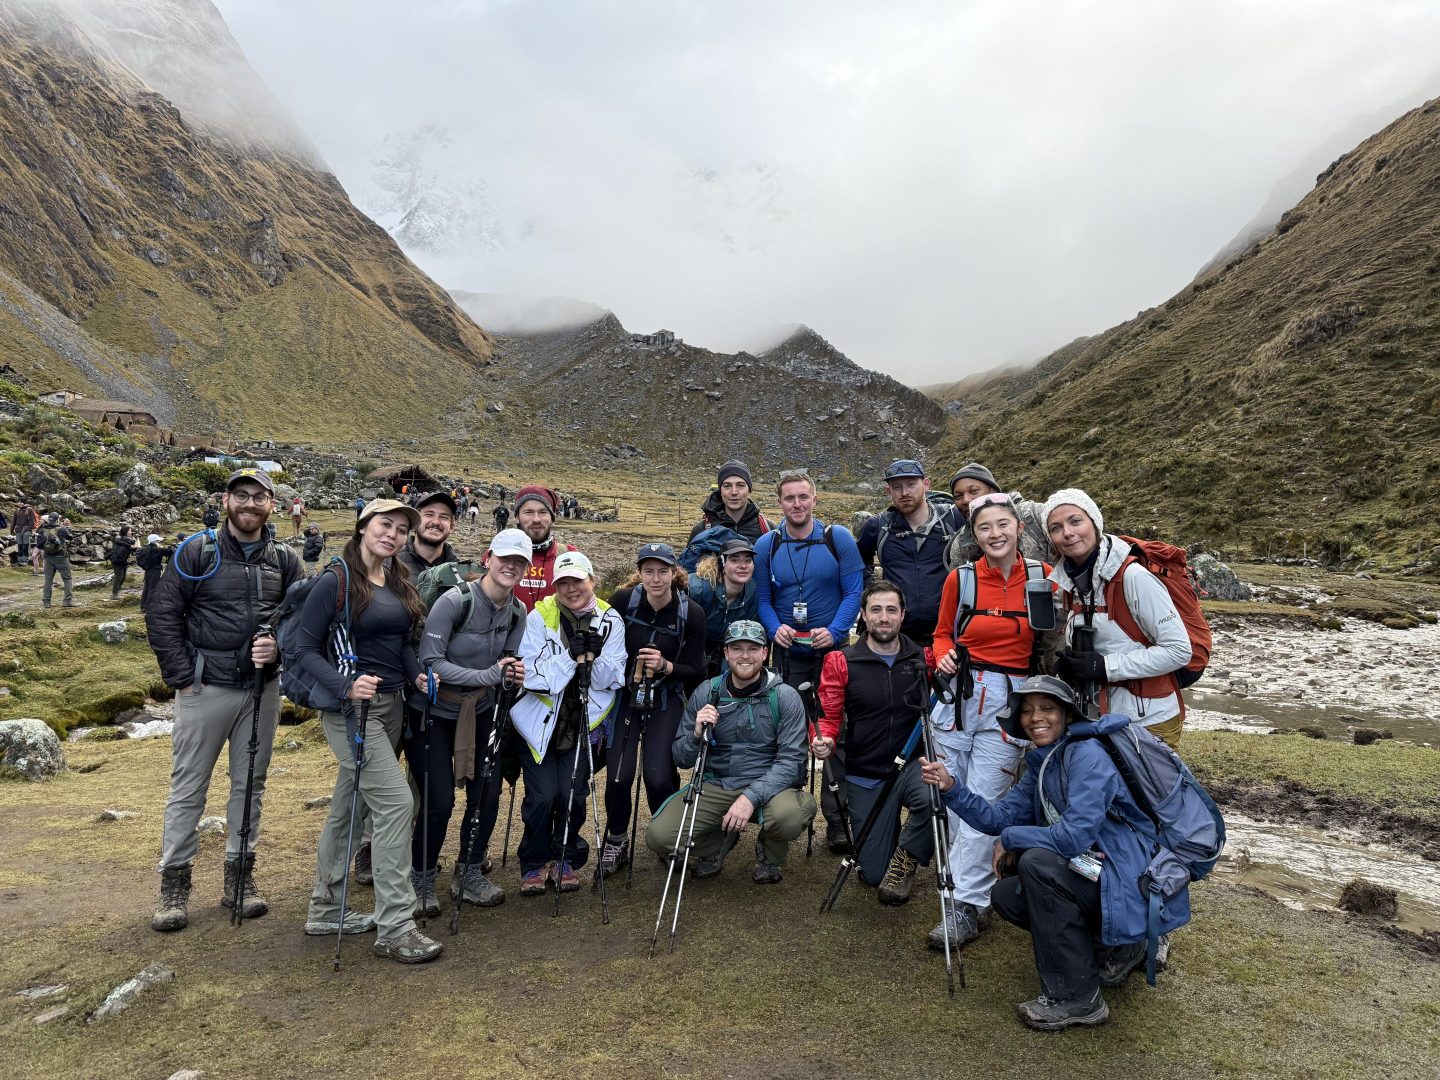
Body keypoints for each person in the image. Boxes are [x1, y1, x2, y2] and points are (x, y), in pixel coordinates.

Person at [920, 676, 1189, 1031]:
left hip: (1126, 880)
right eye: (1028, 711)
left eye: (1047, 708)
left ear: (1066, 715)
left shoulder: (1088, 755)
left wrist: (1013, 839)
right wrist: (952, 788)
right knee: (1007, 895)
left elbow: (1074, 837)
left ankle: (1078, 998)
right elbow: (998, 817)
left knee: (1036, 864)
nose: (1036, 718)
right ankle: (1109, 947)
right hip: (1098, 873)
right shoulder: (1043, 763)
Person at [145, 468, 302, 933]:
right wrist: (182, 676)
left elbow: (300, 618)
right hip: (205, 688)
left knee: (250, 786)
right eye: (241, 496)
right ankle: (174, 886)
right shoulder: (198, 550)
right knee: (188, 787)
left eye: (259, 497)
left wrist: (278, 647)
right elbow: (163, 612)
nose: (249, 504)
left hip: (261, 691)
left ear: (272, 504)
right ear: (226, 500)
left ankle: (240, 879)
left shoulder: (287, 560)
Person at [294, 498, 443, 964]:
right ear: (363, 526)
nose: (394, 534)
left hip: (393, 704)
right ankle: (396, 925)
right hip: (351, 711)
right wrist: (345, 685)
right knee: (398, 803)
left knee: (350, 805)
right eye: (386, 524)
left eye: (402, 529)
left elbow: (397, 642)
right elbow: (300, 648)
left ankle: (324, 907)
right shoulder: (334, 580)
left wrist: (417, 674)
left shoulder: (398, 578)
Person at [926, 491, 1055, 952]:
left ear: (1019, 529)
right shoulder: (960, 580)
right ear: (974, 536)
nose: (995, 534)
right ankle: (975, 894)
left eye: (1003, 525)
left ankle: (964, 905)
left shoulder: (1042, 579)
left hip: (1010, 701)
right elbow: (943, 633)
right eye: (984, 528)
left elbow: (1054, 640)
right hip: (957, 697)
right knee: (952, 796)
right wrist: (942, 658)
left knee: (983, 801)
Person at [409, 528, 530, 912]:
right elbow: (430, 661)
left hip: (482, 712)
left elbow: (507, 661)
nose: (511, 566)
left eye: (520, 561)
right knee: (438, 801)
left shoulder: (517, 611)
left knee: (487, 795)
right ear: (488, 558)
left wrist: (511, 674)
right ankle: (421, 878)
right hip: (433, 711)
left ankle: (470, 870)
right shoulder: (453, 601)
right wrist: (488, 676)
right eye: (505, 558)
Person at [645, 620, 818, 883]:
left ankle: (770, 854)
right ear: (726, 653)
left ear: (764, 653)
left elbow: (792, 762)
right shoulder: (706, 692)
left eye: (753, 648)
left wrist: (750, 797)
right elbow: (681, 758)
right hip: (717, 783)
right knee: (659, 838)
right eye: (736, 648)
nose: (745, 656)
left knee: (789, 816)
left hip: (770, 784)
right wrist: (695, 734)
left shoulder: (785, 696)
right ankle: (718, 843)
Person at [754, 468, 864, 852]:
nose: (797, 504)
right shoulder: (767, 545)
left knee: (837, 732)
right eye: (789, 498)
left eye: (804, 497)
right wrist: (773, 629)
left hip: (832, 653)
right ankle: (788, 814)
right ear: (779, 502)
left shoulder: (839, 539)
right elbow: (763, 598)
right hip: (788, 654)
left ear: (815, 500)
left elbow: (853, 591)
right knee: (787, 735)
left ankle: (838, 818)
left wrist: (834, 631)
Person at [507, 550, 626, 895]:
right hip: (539, 723)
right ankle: (533, 861)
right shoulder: (539, 617)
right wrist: (573, 658)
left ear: (591, 579)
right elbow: (530, 675)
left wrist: (594, 658)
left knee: (572, 795)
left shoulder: (610, 619)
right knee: (543, 797)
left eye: (578, 580)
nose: (571, 588)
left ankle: (565, 859)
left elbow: (612, 678)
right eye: (563, 582)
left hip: (584, 723)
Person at [813, 581, 934, 902]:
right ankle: (887, 843)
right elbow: (828, 713)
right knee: (873, 875)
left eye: (891, 610)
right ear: (863, 616)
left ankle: (906, 857)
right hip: (865, 774)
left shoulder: (922, 659)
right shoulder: (842, 661)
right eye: (876, 610)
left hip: (911, 766)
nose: (884, 617)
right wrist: (822, 738)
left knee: (938, 796)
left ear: (903, 615)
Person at [1043, 489, 1190, 749]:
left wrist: (1104, 666)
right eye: (1056, 527)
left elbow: (1178, 651)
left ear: (1095, 523)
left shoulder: (1134, 577)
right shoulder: (1068, 583)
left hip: (1148, 721)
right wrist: (1071, 666)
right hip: (1098, 718)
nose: (1067, 532)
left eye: (1076, 521)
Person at [599, 543, 708, 874]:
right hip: (626, 698)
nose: (656, 578)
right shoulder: (621, 601)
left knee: (659, 776)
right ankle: (616, 840)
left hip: (666, 697)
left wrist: (665, 666)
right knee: (619, 775)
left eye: (663, 571)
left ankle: (667, 838)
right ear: (640, 572)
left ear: (674, 573)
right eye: (649, 571)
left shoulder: (692, 613)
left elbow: (696, 669)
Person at [855, 459, 954, 647]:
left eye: (911, 484)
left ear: (926, 484)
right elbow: (857, 563)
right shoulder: (878, 526)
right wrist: (872, 591)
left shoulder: (951, 520)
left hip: (945, 634)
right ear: (888, 491)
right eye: (897, 487)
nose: (904, 493)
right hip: (896, 636)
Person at [944, 463, 1052, 571]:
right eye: (958, 496)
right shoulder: (960, 544)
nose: (966, 500)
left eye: (974, 491)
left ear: (993, 491)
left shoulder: (1035, 515)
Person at [688, 536, 759, 677]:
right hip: (690, 649)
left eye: (748, 560)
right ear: (722, 564)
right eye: (734, 560)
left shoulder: (752, 592)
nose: (743, 565)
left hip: (720, 651)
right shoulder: (698, 589)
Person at [508, 485, 576, 612]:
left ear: (552, 517)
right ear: (517, 516)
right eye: (528, 512)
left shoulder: (568, 555)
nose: (536, 519)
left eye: (543, 512)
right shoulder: (498, 555)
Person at [688, 459, 771, 543]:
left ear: (749, 490)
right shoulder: (701, 530)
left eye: (740, 485)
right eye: (727, 486)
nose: (734, 492)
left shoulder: (768, 528)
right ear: (720, 491)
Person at [396, 491, 458, 581]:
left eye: (444, 517)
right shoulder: (389, 563)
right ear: (415, 521)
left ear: (452, 526)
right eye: (429, 514)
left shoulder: (461, 572)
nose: (436, 522)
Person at [38, 513, 74, 608]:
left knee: (48, 580)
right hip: (61, 557)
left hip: (48, 557)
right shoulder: (61, 529)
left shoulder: (42, 529)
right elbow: (70, 537)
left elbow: (39, 545)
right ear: (57, 519)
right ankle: (67, 601)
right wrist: (67, 527)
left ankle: (46, 602)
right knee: (67, 579)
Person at [136, 533, 165, 612]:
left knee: (147, 588)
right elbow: (167, 552)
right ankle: (150, 607)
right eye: (158, 541)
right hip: (155, 570)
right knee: (153, 588)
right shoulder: (156, 550)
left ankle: (143, 606)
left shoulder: (145, 549)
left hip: (148, 570)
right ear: (154, 541)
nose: (159, 543)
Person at [108, 525, 136, 600]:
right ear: (125, 531)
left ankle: (116, 593)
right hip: (116, 560)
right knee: (119, 577)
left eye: (131, 530)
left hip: (123, 561)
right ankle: (114, 594)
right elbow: (118, 541)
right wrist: (130, 545)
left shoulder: (129, 540)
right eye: (129, 530)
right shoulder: (119, 538)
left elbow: (133, 547)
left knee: (123, 577)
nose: (131, 532)